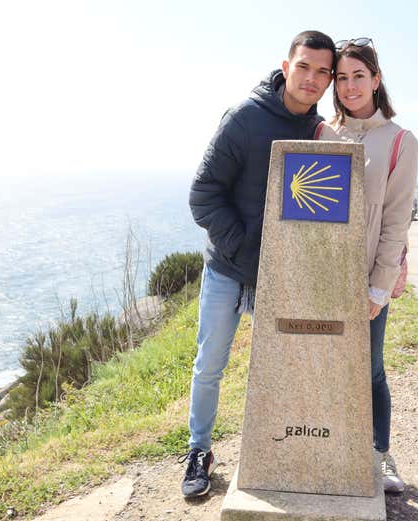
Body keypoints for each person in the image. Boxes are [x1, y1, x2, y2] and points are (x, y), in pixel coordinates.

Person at [183, 30, 336, 499]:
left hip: (285, 278)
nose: (311, 79)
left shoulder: (319, 132)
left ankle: (282, 449)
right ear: (285, 66)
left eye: (322, 72)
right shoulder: (244, 119)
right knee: (210, 363)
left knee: (284, 366)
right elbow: (203, 197)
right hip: (229, 269)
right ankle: (198, 449)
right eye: (304, 67)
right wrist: (248, 254)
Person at [318, 37, 418, 493]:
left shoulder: (401, 140)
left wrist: (380, 285)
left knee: (371, 365)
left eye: (359, 76)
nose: (350, 85)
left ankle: (381, 454)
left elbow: (397, 219)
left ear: (376, 81)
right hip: (322, 274)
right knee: (322, 363)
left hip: (366, 277)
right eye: (341, 77)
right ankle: (329, 446)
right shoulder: (321, 133)